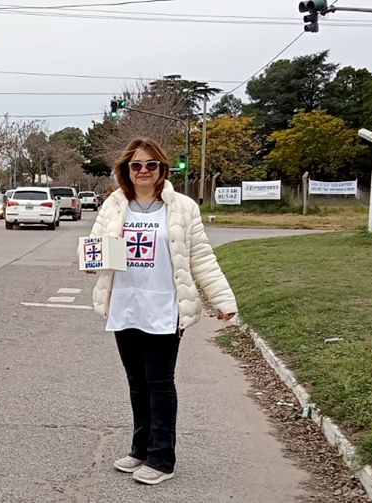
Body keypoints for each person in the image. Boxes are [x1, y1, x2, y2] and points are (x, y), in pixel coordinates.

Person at [84, 137, 237, 486]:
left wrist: (222, 300)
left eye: (150, 164)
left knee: (160, 383)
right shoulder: (114, 204)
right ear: (126, 169)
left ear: (161, 168)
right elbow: (97, 246)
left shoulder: (182, 208)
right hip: (124, 305)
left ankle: (162, 458)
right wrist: (93, 263)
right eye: (135, 165)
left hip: (165, 306)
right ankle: (140, 449)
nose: (143, 171)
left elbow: (200, 257)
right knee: (137, 383)